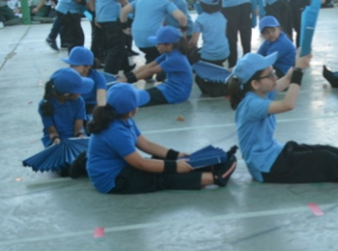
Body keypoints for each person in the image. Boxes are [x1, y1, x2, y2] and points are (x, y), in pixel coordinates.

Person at [229, 51, 338, 184]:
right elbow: (288, 104)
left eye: (273, 71)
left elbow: (288, 79)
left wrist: (300, 60)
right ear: (255, 84)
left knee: (328, 150)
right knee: (327, 160)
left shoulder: (261, 92)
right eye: (270, 75)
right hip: (266, 168)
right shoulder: (251, 104)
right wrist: (298, 71)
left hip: (275, 153)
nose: (275, 76)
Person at [78, 83, 234, 194]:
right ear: (131, 111)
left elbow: (146, 144)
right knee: (163, 176)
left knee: (162, 162)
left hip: (122, 167)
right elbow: (140, 163)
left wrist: (176, 156)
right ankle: (215, 178)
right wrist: (175, 166)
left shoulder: (123, 119)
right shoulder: (115, 131)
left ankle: (206, 166)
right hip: (113, 180)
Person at [120, 0, 187, 65]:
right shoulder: (165, 2)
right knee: (166, 53)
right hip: (154, 40)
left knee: (151, 56)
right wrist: (183, 31)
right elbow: (182, 17)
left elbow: (124, 11)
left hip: (138, 39)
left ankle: (149, 68)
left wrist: (124, 27)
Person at [125, 26, 192, 106]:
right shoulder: (168, 53)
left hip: (176, 93)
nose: (156, 46)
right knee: (139, 94)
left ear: (169, 45)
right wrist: (126, 76)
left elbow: (150, 71)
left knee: (135, 98)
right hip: (168, 87)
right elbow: (149, 66)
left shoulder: (176, 58)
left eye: (159, 43)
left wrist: (127, 80)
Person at [39, 67, 92, 148]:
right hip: (55, 140)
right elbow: (52, 132)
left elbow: (78, 129)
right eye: (78, 90)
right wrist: (55, 139)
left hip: (75, 138)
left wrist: (80, 135)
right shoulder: (45, 104)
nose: (81, 93)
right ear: (66, 94)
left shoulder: (79, 101)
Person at [61, 46, 108, 113]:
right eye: (70, 65)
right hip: (73, 107)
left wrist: (99, 114)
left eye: (74, 65)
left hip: (91, 109)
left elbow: (101, 100)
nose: (70, 68)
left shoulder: (98, 77)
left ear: (87, 67)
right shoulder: (67, 76)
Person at [190, 0, 229, 65]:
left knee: (192, 56)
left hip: (208, 56)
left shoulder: (200, 19)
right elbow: (224, 34)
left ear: (202, 4)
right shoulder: (222, 16)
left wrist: (185, 47)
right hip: (224, 54)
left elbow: (193, 42)